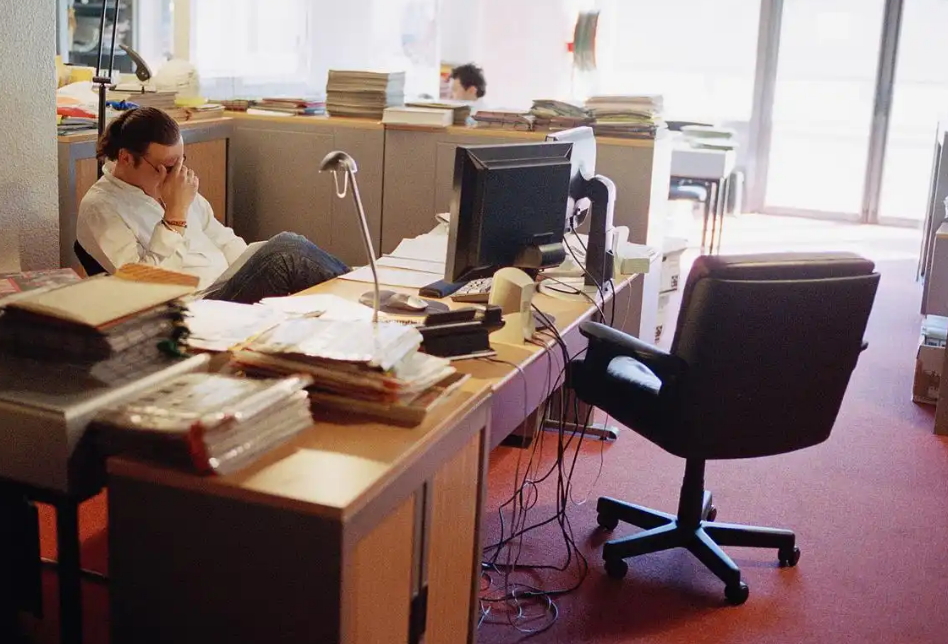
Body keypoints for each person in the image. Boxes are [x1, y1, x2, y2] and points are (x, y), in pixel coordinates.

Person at [76, 107, 348, 304]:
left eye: (182, 161)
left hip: (226, 286)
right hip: (192, 306)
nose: (177, 173)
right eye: (168, 166)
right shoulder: (101, 208)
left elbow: (225, 242)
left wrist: (256, 265)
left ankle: (354, 294)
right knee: (286, 253)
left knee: (288, 247)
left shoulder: (175, 186)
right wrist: (174, 218)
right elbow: (142, 286)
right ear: (125, 158)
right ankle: (357, 297)